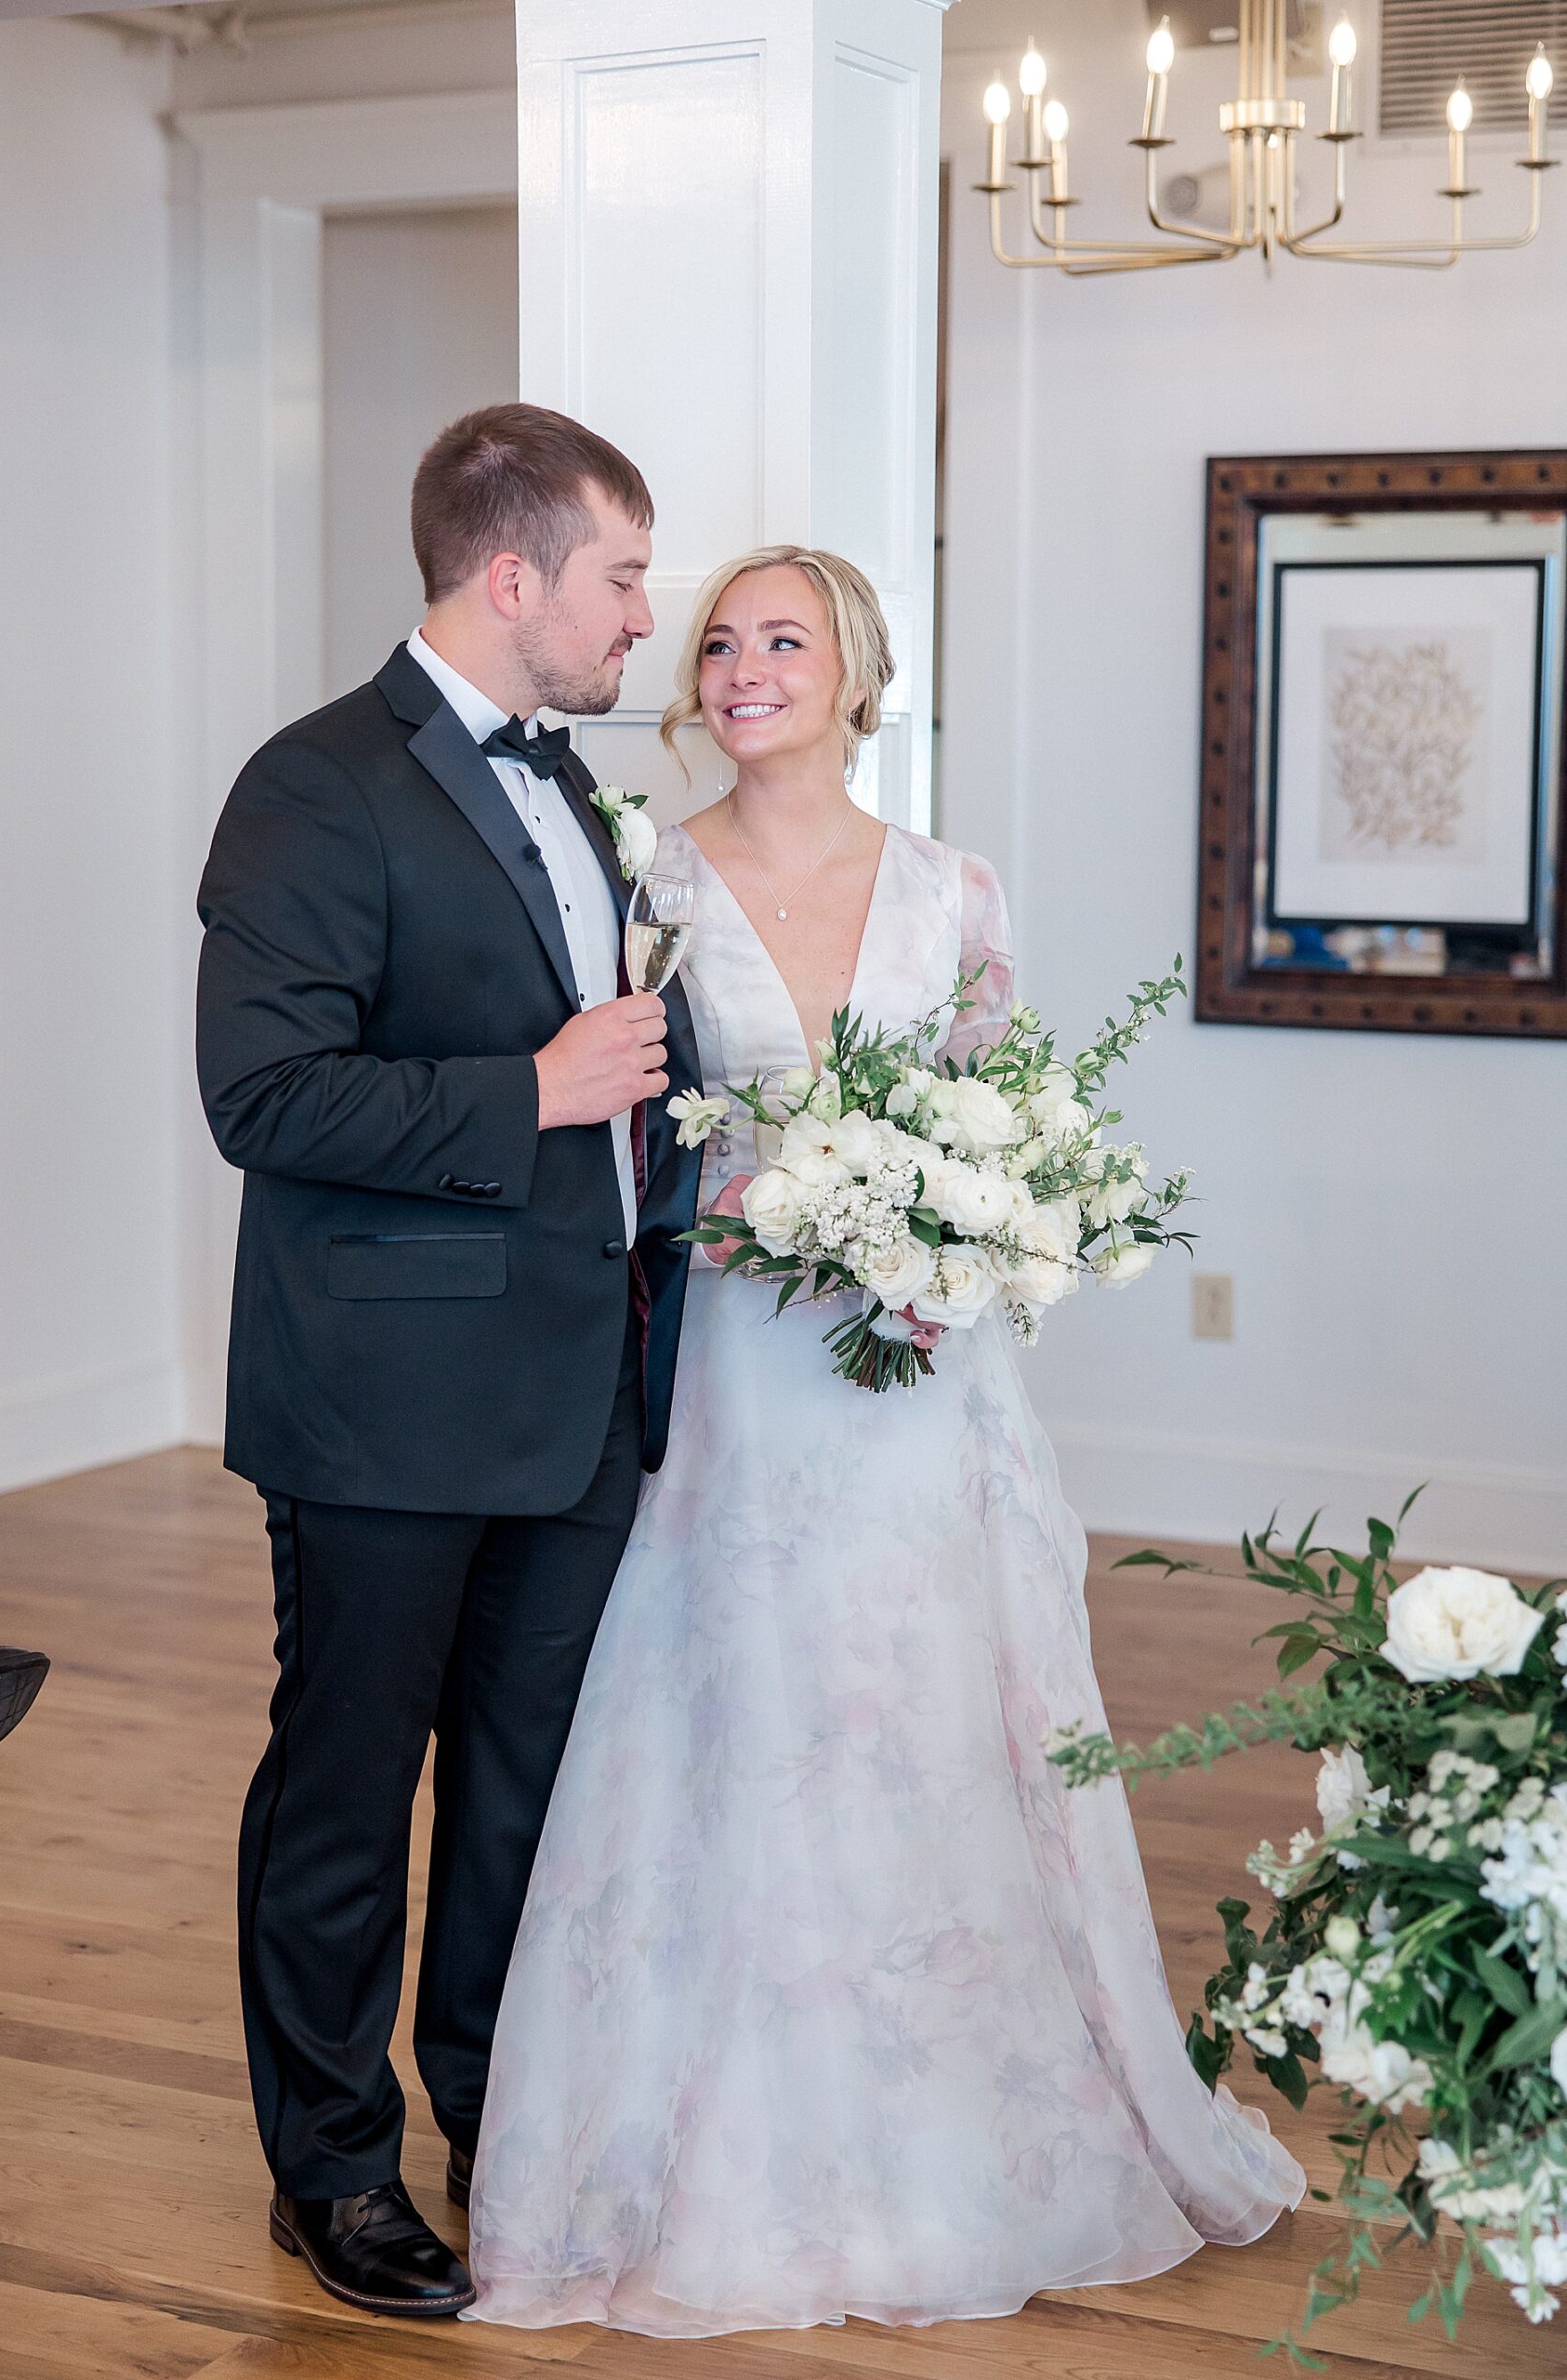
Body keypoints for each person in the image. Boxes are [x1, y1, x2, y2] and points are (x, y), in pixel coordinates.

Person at [466, 545, 1305, 2335]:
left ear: (860, 673)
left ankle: (970, 2105)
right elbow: (615, 1134)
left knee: (925, 1711)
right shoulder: (646, 882)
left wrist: (971, 1238)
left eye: (787, 638)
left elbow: (1014, 1122)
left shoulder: (955, 888)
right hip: (728, 1388)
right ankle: (720, 2138)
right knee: (740, 1716)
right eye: (718, 640)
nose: (747, 664)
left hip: (925, 1383)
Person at [195, 404, 703, 2319]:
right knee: (343, 1788)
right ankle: (329, 2164)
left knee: (520, 1790)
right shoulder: (312, 785)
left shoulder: (576, 784)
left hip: (584, 1390)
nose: (642, 619)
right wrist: (532, 1088)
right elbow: (262, 1090)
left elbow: (627, 1061)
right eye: (624, 576)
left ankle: (499, 2114)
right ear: (515, 576)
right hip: (383, 1404)